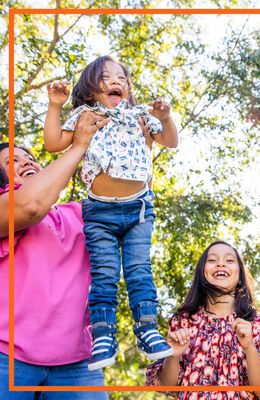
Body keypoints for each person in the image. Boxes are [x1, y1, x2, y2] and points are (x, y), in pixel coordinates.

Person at [43, 55, 179, 371]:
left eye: (121, 77)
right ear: (91, 87)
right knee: (104, 274)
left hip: (139, 209)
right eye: (107, 77)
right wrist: (54, 105)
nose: (117, 81)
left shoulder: (141, 114)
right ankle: (103, 334)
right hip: (99, 211)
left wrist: (166, 117)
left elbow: (170, 142)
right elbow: (52, 143)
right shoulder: (84, 115)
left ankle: (147, 328)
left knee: (138, 270)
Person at [0, 111, 110, 399]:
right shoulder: (4, 209)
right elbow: (30, 206)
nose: (26, 162)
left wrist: (137, 142)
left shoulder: (77, 213)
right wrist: (78, 146)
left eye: (29, 157)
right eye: (12, 161)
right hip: (6, 360)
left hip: (78, 365)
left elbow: (126, 208)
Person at [146, 240, 260, 399]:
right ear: (201, 273)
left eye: (229, 260)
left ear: (240, 276)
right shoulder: (182, 321)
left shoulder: (256, 323)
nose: (220, 264)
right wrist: (173, 356)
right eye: (212, 260)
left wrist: (249, 347)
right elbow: (166, 386)